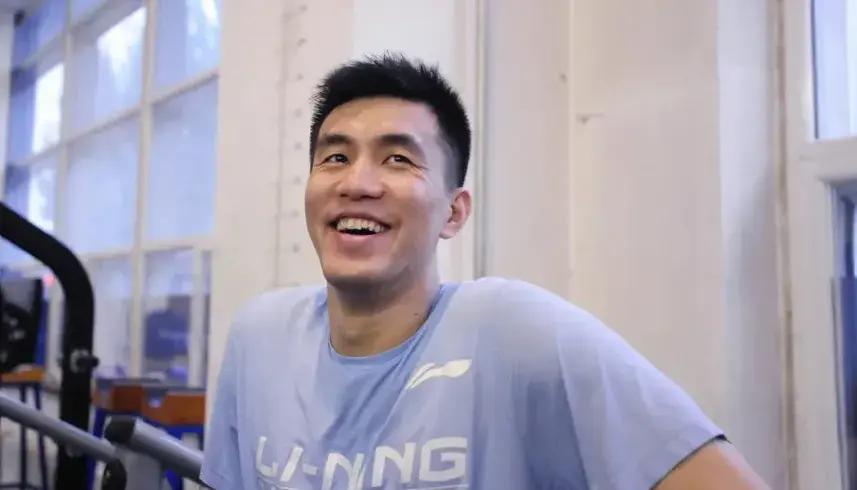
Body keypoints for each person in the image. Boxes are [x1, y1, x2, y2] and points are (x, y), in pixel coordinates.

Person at [200, 53, 768, 489]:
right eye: (335, 157)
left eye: (397, 159)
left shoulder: (513, 332)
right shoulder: (260, 339)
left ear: (454, 212)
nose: (357, 183)